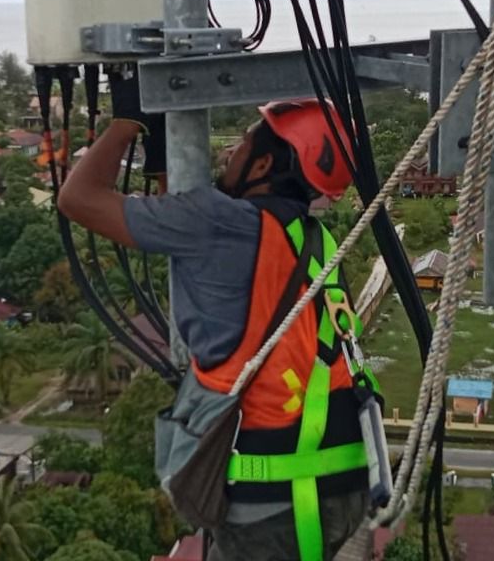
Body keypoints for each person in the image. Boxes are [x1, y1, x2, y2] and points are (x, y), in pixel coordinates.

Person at [58, 73, 375, 561]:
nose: (230, 154)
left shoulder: (215, 222)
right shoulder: (313, 241)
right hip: (342, 483)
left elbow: (77, 199)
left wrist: (126, 122)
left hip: (269, 505)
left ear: (265, 164)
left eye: (244, 145)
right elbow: (190, 232)